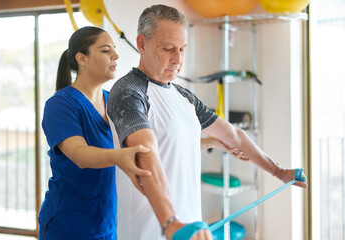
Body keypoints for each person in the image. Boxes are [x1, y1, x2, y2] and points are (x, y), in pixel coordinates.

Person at [107, 4, 308, 240]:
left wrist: (278, 171)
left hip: (190, 230)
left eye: (182, 49)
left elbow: (233, 136)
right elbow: (144, 155)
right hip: (150, 231)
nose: (178, 59)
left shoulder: (183, 96)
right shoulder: (128, 92)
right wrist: (170, 223)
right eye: (168, 49)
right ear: (142, 43)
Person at [37, 26, 154, 240]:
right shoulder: (60, 104)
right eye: (105, 50)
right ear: (82, 58)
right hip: (68, 225)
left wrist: (205, 142)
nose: (115, 55)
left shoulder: (115, 101)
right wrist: (121, 157)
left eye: (114, 49)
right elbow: (80, 155)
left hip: (107, 221)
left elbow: (146, 139)